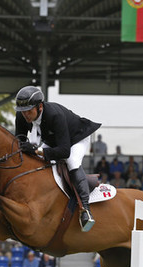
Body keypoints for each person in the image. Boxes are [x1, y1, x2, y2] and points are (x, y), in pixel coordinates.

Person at [14, 85, 101, 232]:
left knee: (72, 162)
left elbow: (64, 151)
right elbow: (20, 142)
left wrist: (36, 150)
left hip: (76, 138)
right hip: (53, 140)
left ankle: (85, 210)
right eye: (23, 112)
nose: (26, 115)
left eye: (29, 111)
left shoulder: (55, 115)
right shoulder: (22, 116)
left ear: (39, 107)